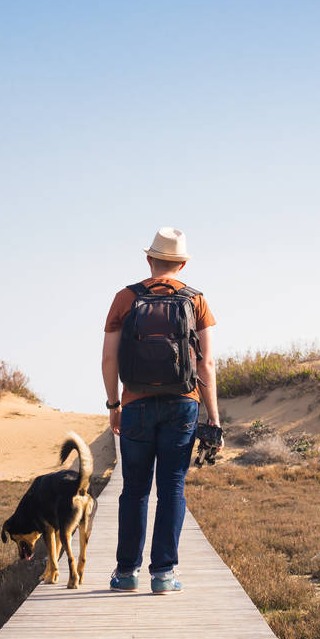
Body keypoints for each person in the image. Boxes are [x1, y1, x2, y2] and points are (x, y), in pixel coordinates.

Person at [101, 227, 220, 594]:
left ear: (149, 259)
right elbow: (207, 366)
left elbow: (108, 358)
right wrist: (213, 419)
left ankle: (125, 573)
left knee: (134, 489)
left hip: (135, 402)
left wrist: (114, 405)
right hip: (183, 404)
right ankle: (163, 575)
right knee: (172, 488)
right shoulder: (196, 300)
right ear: (182, 264)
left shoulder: (125, 298)